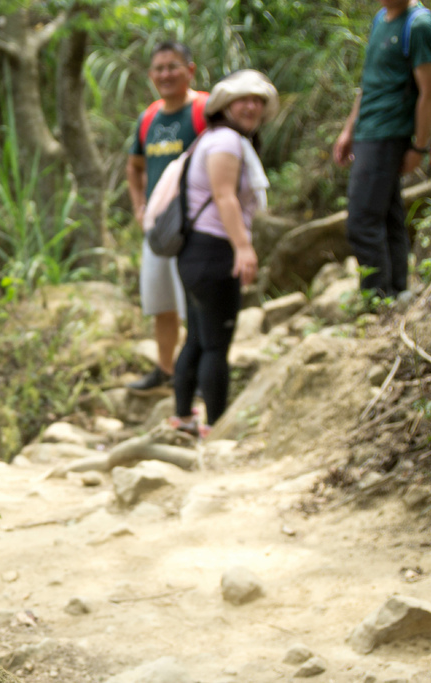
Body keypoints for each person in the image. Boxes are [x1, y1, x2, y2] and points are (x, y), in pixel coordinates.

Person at [170, 70, 279, 438]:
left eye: (257, 100)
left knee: (199, 339)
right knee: (216, 345)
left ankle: (183, 418)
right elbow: (224, 196)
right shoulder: (227, 143)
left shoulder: (211, 139)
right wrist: (243, 248)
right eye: (242, 100)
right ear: (225, 106)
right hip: (214, 252)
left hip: (194, 252)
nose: (251, 106)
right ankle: (214, 428)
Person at [333, 0, 431, 299]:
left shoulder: (418, 25)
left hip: (389, 133)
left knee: (362, 221)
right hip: (369, 131)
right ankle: (396, 291)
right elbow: (369, 83)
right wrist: (349, 129)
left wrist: (419, 146)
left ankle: (377, 298)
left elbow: (430, 92)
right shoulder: (382, 18)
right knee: (388, 215)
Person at [126, 41, 208, 391]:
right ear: (150, 75)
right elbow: (135, 165)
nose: (165, 74)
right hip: (159, 226)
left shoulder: (205, 109)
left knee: (197, 302)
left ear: (189, 69)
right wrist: (138, 204)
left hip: (197, 223)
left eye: (172, 66)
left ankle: (201, 373)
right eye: (159, 68)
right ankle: (165, 371)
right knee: (162, 302)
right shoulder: (149, 118)